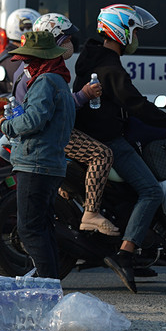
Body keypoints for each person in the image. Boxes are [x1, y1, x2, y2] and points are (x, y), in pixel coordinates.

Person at [73, 3, 166, 289]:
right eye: (133, 31)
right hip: (108, 141)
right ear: (119, 31)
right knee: (151, 190)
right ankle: (125, 254)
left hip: (98, 135)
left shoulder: (93, 60)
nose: (135, 38)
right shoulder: (109, 66)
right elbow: (136, 104)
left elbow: (129, 104)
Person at [19, 13, 117, 236]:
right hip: (50, 133)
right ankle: (91, 213)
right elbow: (52, 108)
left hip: (48, 130)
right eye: (66, 39)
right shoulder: (44, 71)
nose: (70, 44)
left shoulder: (45, 66)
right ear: (53, 41)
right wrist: (83, 96)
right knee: (102, 155)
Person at [0, 29, 75, 279]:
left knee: (29, 229)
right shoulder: (59, 80)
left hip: (35, 163)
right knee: (42, 227)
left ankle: (47, 285)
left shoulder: (45, 81)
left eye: (29, 59)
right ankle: (49, 281)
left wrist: (4, 124)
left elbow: (32, 121)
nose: (25, 63)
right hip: (49, 163)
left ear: (41, 59)